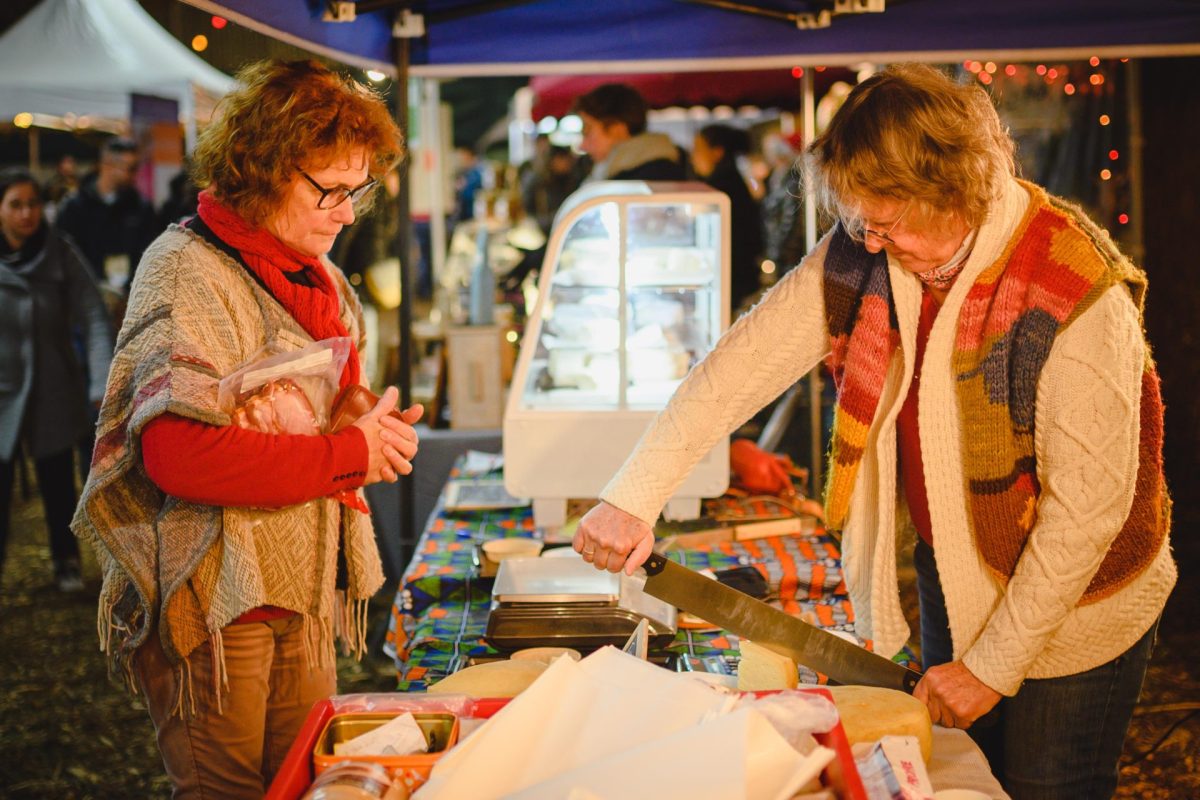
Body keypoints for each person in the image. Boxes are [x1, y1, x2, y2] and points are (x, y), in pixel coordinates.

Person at [573, 64, 1173, 799]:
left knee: (1043, 786)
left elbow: (1087, 514)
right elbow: (739, 365)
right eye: (863, 224)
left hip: (1078, 604)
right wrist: (634, 495)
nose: (874, 244)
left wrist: (990, 668)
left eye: (888, 225)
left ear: (956, 192)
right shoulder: (867, 245)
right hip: (956, 573)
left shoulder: (1075, 287)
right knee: (966, 778)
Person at [71, 60, 424, 799]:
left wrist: (366, 425)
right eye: (329, 190)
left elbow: (327, 405)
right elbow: (178, 455)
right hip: (216, 598)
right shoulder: (186, 270)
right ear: (261, 170)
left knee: (298, 780)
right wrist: (345, 452)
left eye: (357, 190)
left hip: (301, 584)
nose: (346, 214)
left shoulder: (321, 276)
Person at [0, 168, 112, 593]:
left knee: (58, 477)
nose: (26, 213)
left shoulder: (59, 252)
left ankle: (66, 560)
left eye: (33, 204)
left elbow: (93, 315)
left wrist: (100, 381)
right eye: (15, 205)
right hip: (3, 388)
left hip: (54, 384)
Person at [55, 136, 159, 292]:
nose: (133, 175)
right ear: (106, 165)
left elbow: (151, 253)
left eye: (136, 168)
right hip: (86, 294)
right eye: (129, 168)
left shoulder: (141, 208)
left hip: (131, 294)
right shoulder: (75, 207)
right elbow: (64, 255)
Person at [691, 124, 764, 312]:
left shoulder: (721, 188)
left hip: (732, 281)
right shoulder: (729, 181)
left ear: (717, 152)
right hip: (738, 278)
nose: (693, 157)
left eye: (698, 149)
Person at [573, 83, 686, 182]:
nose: (582, 146)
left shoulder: (651, 178)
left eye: (587, 132)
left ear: (617, 130)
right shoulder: (652, 171)